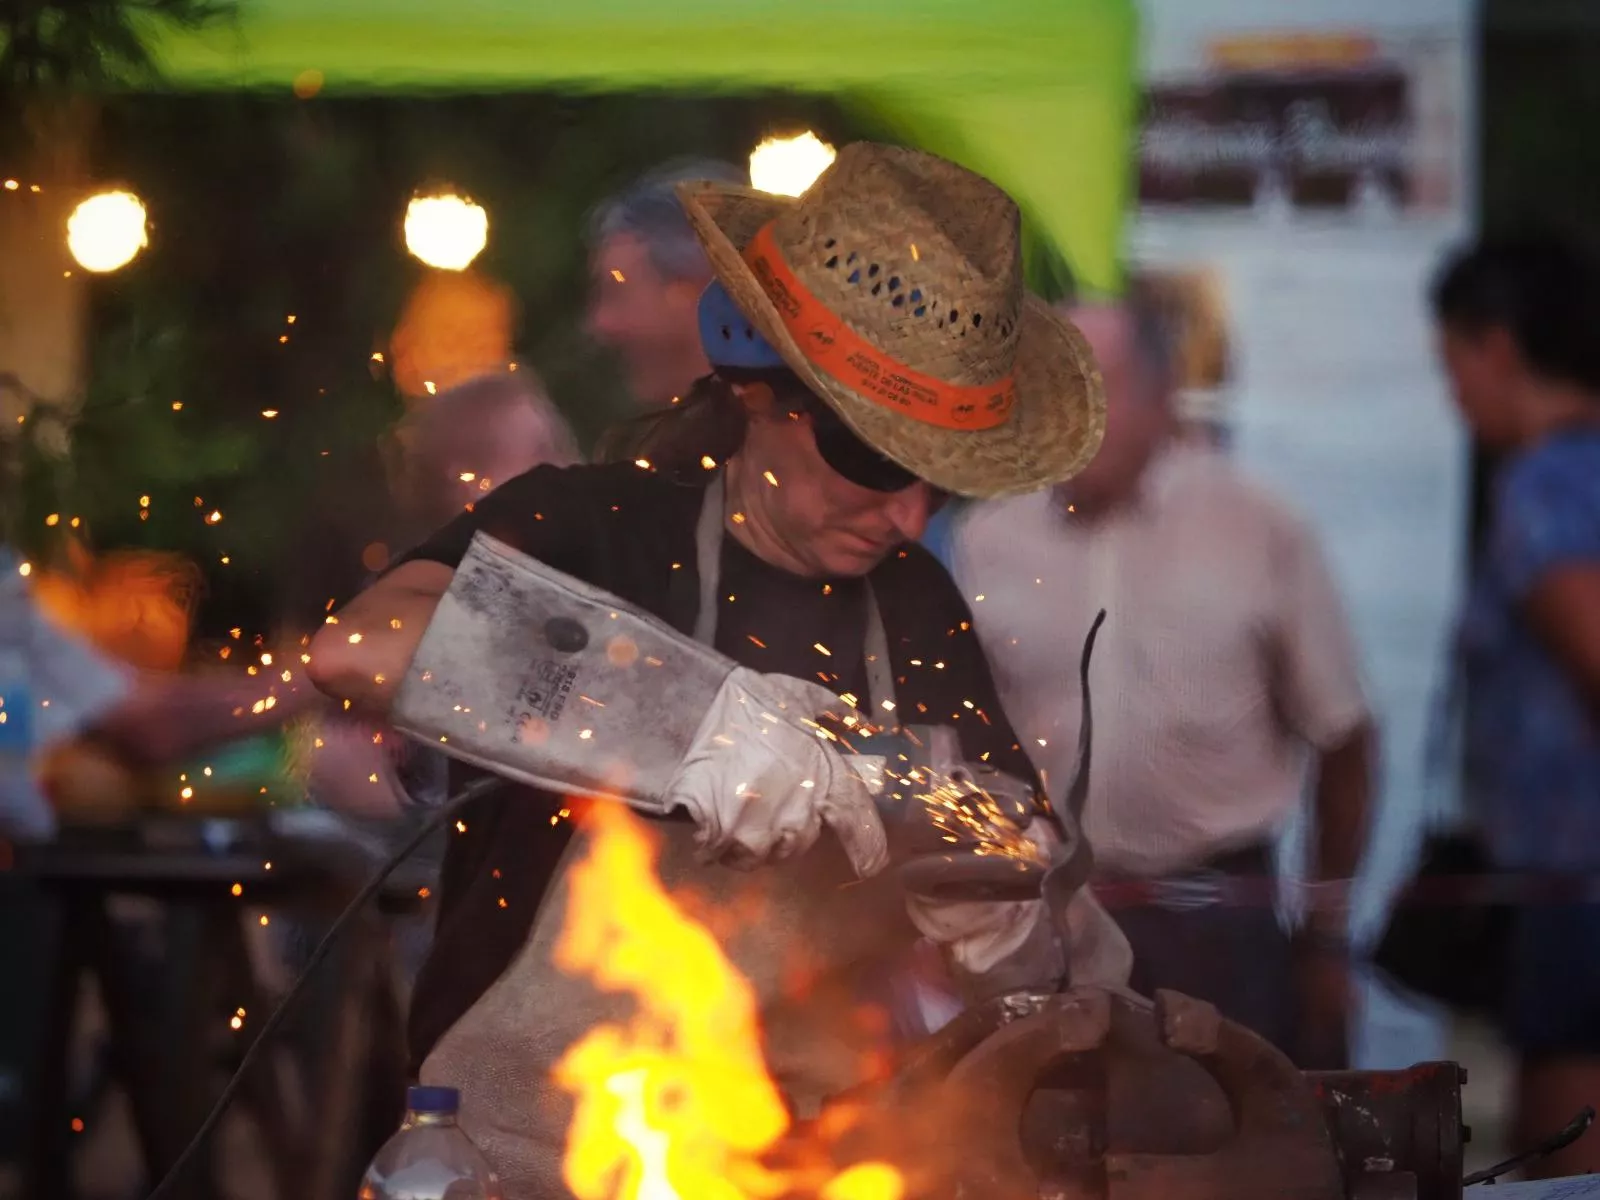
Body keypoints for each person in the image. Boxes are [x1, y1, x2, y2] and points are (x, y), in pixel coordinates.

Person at [308, 142, 1116, 1198]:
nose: (906, 515)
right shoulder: (590, 526)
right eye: (874, 460)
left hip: (792, 1163)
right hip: (523, 1162)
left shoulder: (913, 606)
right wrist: (686, 719)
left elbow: (1012, 864)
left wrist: (1012, 921)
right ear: (758, 390)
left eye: (938, 480)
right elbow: (355, 648)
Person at [943, 282, 1376, 1070]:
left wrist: (1325, 933)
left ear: (1161, 395)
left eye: (1095, 393)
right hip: (1046, 922)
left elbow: (1344, 737)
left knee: (1233, 1167)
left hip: (1219, 922)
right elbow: (953, 746)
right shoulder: (986, 537)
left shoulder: (1254, 524)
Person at [1433, 234, 1600, 1178]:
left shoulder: (1543, 487)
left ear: (1496, 349)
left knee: (1565, 1170)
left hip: (1576, 888)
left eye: (1452, 365)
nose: (1454, 395)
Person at [585, 158, 748, 408]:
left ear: (699, 290)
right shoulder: (670, 442)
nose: (601, 324)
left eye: (617, 293)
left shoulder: (808, 439)